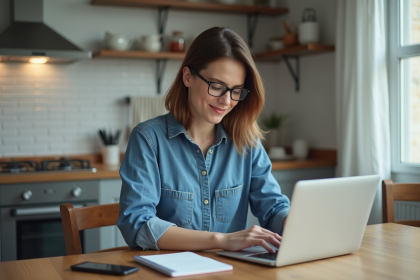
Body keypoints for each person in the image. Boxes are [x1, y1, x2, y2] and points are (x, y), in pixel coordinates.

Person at [118, 27, 290, 254]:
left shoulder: (246, 141)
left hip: (231, 271)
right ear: (188, 77)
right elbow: (138, 224)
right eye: (217, 86)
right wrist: (221, 240)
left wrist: (293, 224)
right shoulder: (148, 139)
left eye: (236, 90)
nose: (226, 101)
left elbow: (273, 207)